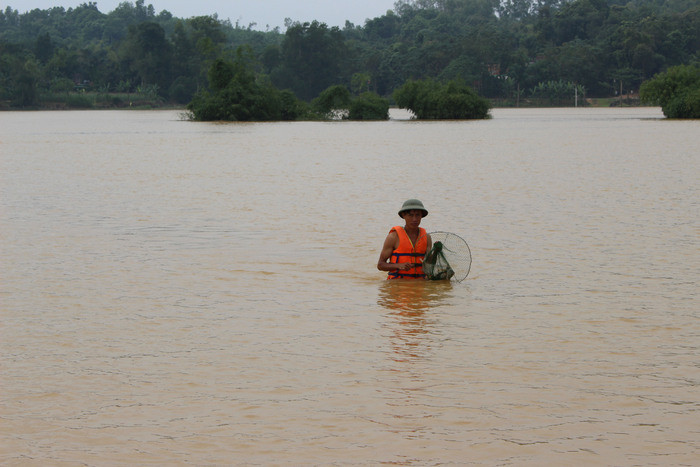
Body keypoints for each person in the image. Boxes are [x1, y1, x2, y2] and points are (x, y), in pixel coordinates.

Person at [377, 199, 432, 279]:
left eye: (417, 215)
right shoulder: (393, 237)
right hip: (397, 285)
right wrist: (398, 265)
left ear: (421, 216)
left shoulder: (427, 237)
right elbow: (380, 265)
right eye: (410, 215)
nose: (414, 219)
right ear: (403, 215)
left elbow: (430, 265)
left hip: (420, 285)